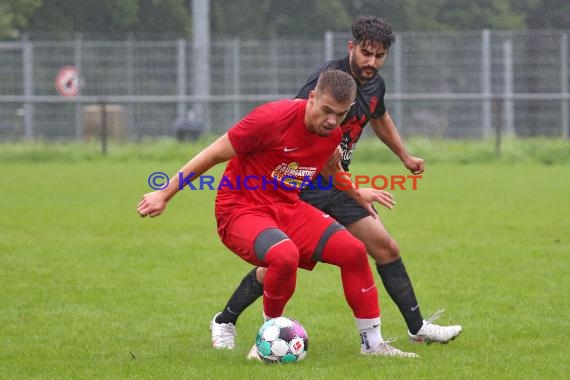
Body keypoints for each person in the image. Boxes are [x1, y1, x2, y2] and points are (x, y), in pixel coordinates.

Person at [210, 16, 462, 354]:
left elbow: (379, 116)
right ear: (351, 47)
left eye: (379, 55)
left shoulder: (374, 85)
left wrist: (402, 156)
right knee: (279, 261)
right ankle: (227, 319)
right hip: (302, 184)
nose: (371, 62)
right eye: (366, 53)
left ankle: (416, 329)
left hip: (336, 182)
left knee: (383, 246)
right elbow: (296, 129)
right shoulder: (325, 82)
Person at [137, 69, 418, 358]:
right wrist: (164, 193)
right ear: (311, 97)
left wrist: (358, 194)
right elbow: (211, 154)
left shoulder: (332, 134)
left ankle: (372, 345)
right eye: (326, 110)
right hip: (240, 208)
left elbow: (331, 170)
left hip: (287, 208)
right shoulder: (271, 119)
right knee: (284, 255)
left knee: (354, 251)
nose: (333, 120)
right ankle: (268, 340)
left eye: (341, 113)